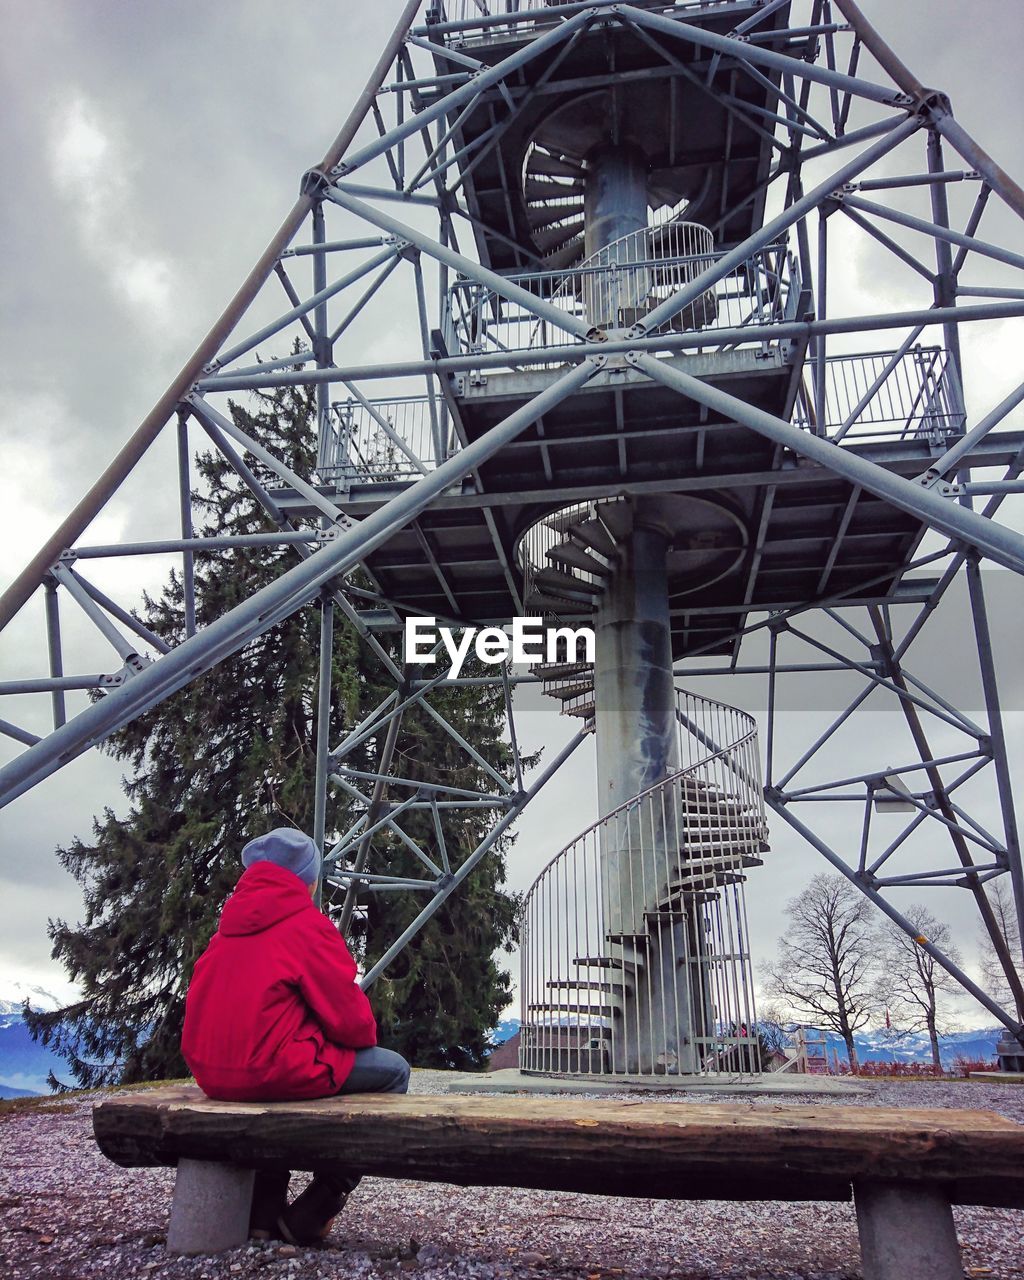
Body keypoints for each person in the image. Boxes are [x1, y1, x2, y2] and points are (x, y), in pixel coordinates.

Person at [181, 826, 411, 1245]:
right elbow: (352, 1024)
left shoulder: (226, 927)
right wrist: (339, 1041)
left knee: (276, 1082)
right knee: (394, 1071)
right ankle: (320, 1203)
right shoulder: (308, 926)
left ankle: (263, 1212)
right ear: (310, 880)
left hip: (211, 1072)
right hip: (269, 1069)